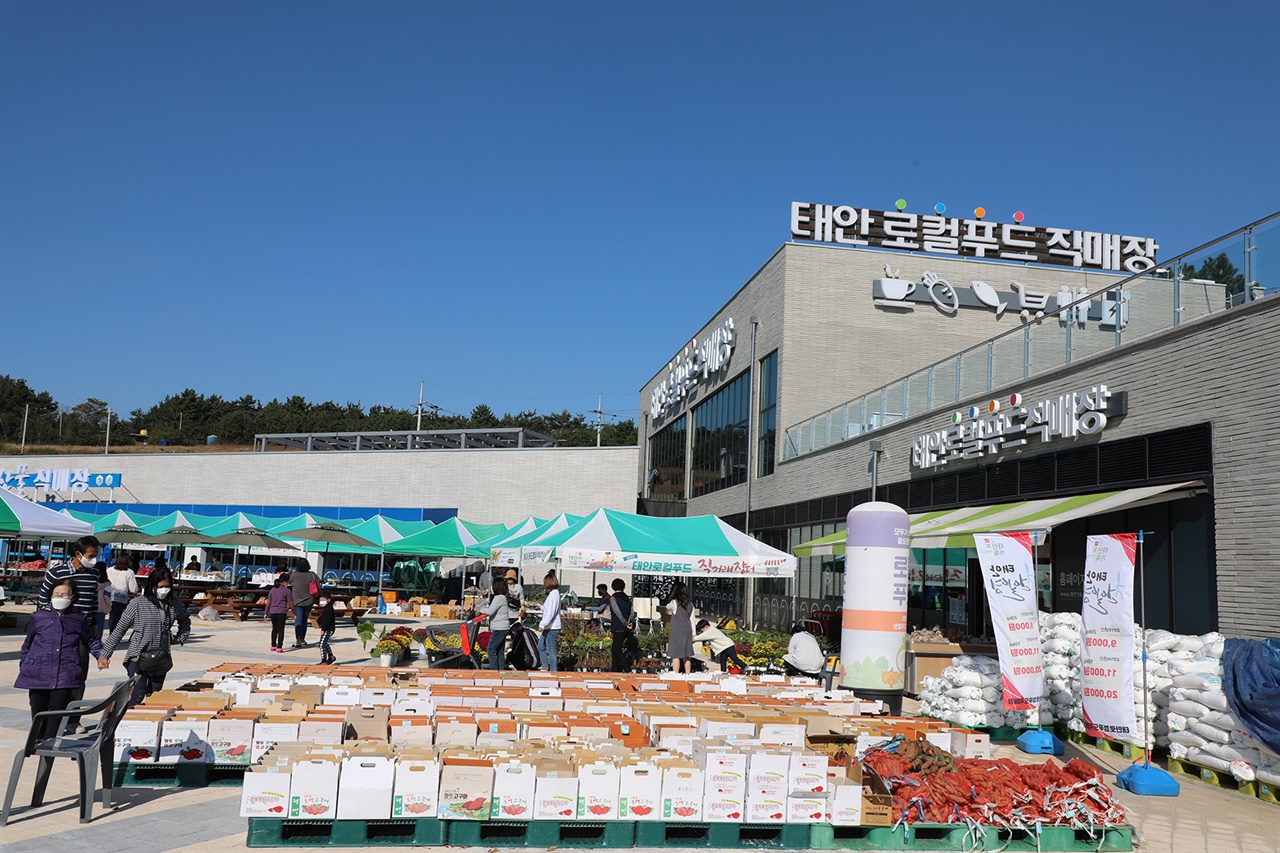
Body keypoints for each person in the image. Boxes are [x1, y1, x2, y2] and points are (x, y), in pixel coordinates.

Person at [15, 580, 103, 738]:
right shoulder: (38, 617)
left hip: (64, 673)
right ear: (50, 596)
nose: (59, 597)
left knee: (55, 713)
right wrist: (25, 665)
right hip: (38, 672)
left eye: (64, 594)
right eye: (56, 594)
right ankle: (37, 743)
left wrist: (100, 655)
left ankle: (48, 748)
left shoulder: (78, 618)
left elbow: (89, 640)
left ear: (73, 596)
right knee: (38, 712)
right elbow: (27, 644)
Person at [100, 567, 192, 707]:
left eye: (167, 586)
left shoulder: (174, 603)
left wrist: (181, 637)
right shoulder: (137, 604)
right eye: (161, 586)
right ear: (152, 586)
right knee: (137, 695)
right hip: (138, 656)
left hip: (161, 657)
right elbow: (119, 630)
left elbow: (185, 619)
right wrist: (105, 654)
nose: (164, 590)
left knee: (155, 697)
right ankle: (119, 722)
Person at [37, 535, 102, 617]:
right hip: (61, 625)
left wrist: (93, 625)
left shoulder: (94, 573)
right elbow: (43, 599)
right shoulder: (56, 572)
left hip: (84, 625)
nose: (94, 560)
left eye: (95, 556)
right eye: (91, 556)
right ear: (78, 554)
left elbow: (94, 602)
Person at [477, 577, 512, 671]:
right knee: (500, 651)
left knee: (491, 650)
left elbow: (490, 611)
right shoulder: (502, 597)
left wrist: (480, 610)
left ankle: (494, 671)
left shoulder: (498, 598)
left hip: (499, 628)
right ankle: (500, 671)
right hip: (504, 627)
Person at [665, 581, 695, 674]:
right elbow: (692, 620)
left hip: (677, 631)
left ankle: (675, 674)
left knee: (675, 654)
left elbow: (667, 607)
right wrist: (694, 634)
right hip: (687, 630)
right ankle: (688, 674)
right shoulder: (690, 604)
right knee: (686, 654)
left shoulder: (674, 602)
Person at [289, 563, 321, 648]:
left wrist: (289, 573)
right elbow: (318, 585)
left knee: (298, 620)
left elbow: (288, 581)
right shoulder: (312, 574)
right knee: (304, 620)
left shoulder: (294, 575)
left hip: (298, 601)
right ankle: (302, 638)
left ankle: (299, 639)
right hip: (309, 600)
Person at [107, 553, 140, 632]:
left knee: (111, 617)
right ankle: (113, 635)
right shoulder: (129, 572)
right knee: (117, 618)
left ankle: (111, 634)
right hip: (121, 598)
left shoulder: (109, 570)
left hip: (109, 596)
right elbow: (133, 589)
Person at [607, 578, 633, 672]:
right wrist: (629, 622)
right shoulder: (627, 599)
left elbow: (617, 612)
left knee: (617, 649)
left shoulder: (613, 598)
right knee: (614, 649)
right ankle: (615, 669)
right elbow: (632, 612)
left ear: (613, 587)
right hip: (626, 628)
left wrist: (624, 622)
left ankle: (627, 669)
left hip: (618, 626)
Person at [538, 572, 562, 672]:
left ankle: (553, 671)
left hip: (552, 627)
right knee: (540, 647)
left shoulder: (553, 596)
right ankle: (545, 667)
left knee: (551, 650)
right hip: (549, 626)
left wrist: (542, 624)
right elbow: (550, 610)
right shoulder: (553, 594)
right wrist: (542, 607)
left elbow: (550, 613)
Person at [265, 575, 292, 653]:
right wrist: (294, 612)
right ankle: (279, 647)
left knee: (274, 628)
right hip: (282, 612)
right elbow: (291, 603)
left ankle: (273, 645)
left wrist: (266, 612)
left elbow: (268, 602)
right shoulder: (287, 591)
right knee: (281, 629)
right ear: (285, 582)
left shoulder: (272, 590)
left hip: (273, 611)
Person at [316, 594, 337, 665]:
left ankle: (324, 660)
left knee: (321, 645)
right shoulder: (326, 607)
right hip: (327, 628)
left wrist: (323, 629)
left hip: (328, 629)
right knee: (324, 643)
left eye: (323, 600)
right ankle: (331, 656)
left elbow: (328, 620)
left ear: (328, 600)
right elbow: (323, 617)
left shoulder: (329, 608)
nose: (321, 601)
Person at [96, 564, 112, 642]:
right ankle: (98, 640)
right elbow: (106, 597)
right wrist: (109, 605)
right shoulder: (107, 584)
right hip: (102, 607)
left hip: (92, 605)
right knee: (100, 625)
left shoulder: (93, 581)